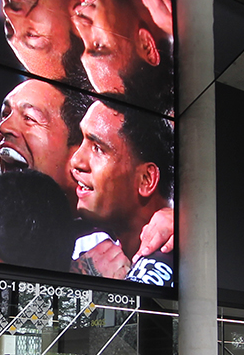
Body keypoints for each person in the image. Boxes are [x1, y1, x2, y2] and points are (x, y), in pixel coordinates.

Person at [68, 99, 175, 285]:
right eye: (81, 140)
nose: (76, 161)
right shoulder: (81, 244)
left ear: (146, 180)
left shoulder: (185, 256)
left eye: (98, 148)